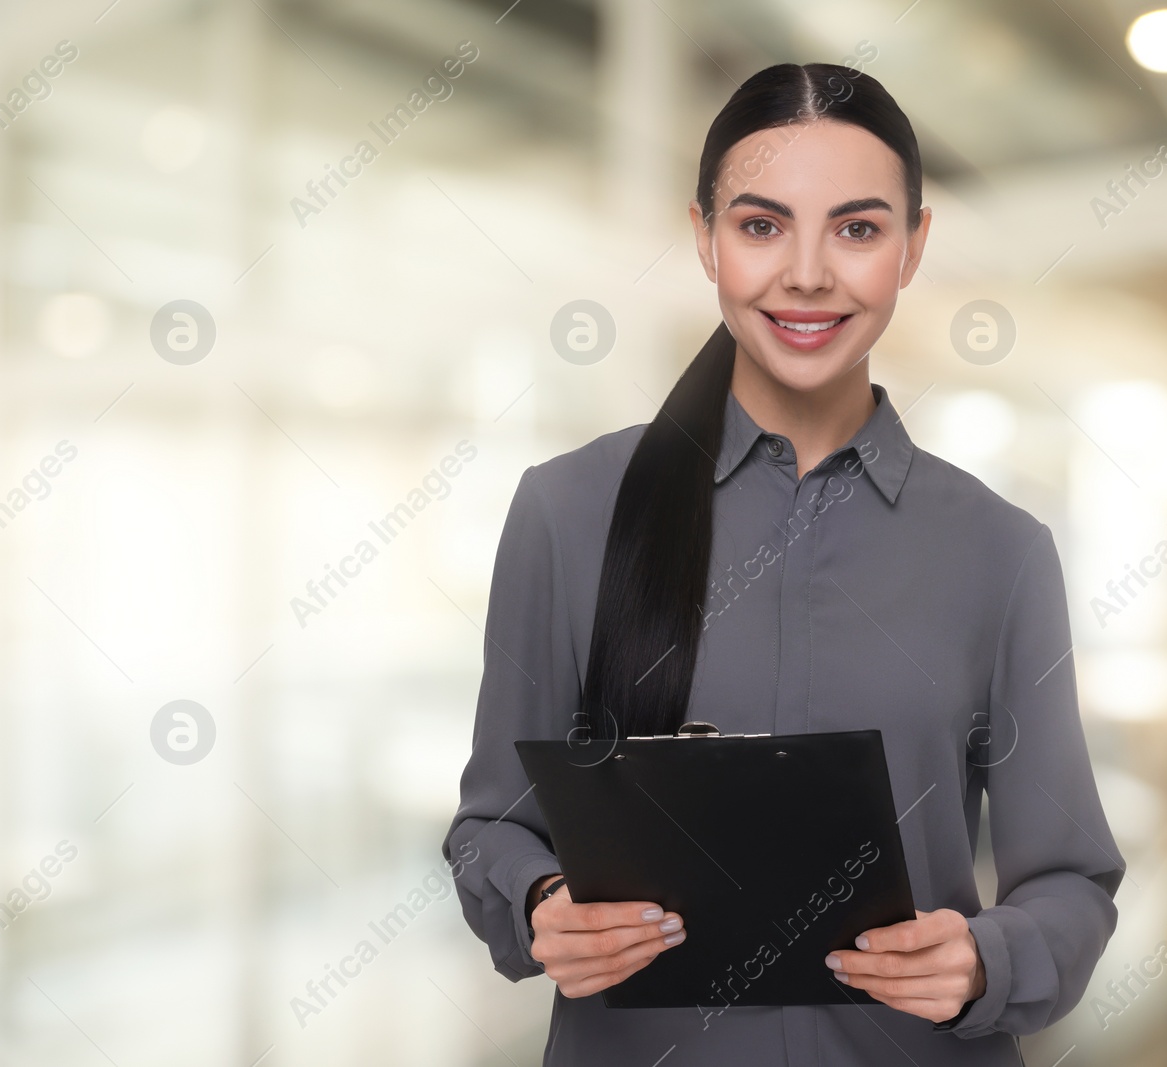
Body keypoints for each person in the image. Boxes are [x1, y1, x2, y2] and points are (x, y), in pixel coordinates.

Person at [443, 61, 1125, 1065]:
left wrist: (987, 956)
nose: (807, 273)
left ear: (912, 247)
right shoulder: (566, 511)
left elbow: (1070, 882)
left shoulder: (1001, 551)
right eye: (761, 225)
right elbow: (488, 827)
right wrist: (539, 901)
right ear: (705, 240)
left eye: (857, 228)